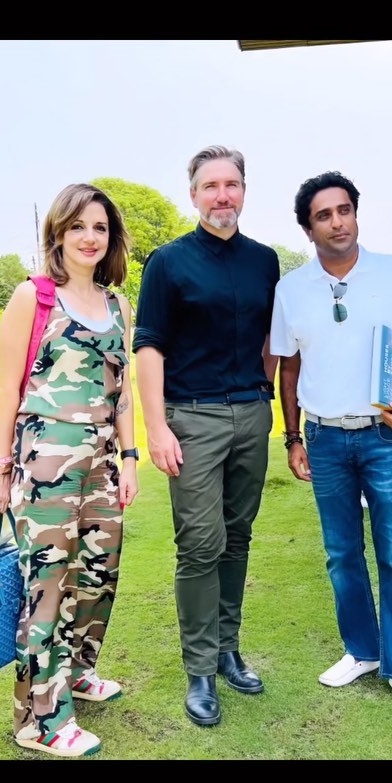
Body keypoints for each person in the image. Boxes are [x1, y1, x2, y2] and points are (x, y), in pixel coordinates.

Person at [270, 170, 392, 721]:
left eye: (344, 210)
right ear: (308, 229)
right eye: (323, 215)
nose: (337, 222)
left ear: (355, 214)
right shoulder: (290, 289)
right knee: (342, 554)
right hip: (324, 439)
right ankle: (363, 651)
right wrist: (293, 437)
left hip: (386, 436)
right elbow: (288, 368)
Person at [133, 145, 280, 726]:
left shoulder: (264, 261)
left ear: (244, 190)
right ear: (193, 194)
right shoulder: (167, 262)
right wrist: (157, 427)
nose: (223, 195)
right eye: (211, 185)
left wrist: (263, 396)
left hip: (251, 415)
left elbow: (270, 338)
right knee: (200, 544)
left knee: (237, 538)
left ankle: (227, 650)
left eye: (232, 184)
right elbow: (149, 347)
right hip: (191, 419)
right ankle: (199, 670)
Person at [0, 183, 139, 758]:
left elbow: (122, 391)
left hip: (103, 463)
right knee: (47, 586)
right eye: (78, 226)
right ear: (57, 232)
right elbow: (8, 389)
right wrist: (2, 470)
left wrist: (130, 459)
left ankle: (77, 672)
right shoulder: (33, 297)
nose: (89, 237)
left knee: (98, 575)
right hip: (45, 460)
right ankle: (41, 721)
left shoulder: (118, 305)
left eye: (99, 227)